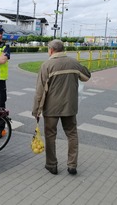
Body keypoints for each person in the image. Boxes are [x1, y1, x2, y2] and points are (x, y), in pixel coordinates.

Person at [32, 39, 91, 175]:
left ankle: (52, 165)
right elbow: (86, 76)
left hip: (51, 108)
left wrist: (36, 110)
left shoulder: (46, 65)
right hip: (70, 107)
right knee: (72, 134)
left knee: (50, 135)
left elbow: (40, 91)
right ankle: (72, 165)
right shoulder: (73, 63)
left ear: (51, 50)